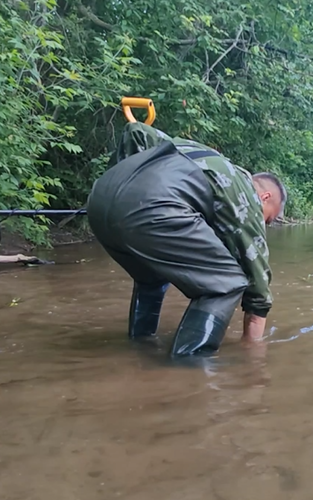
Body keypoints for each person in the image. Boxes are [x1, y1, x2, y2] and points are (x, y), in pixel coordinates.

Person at [87, 122, 286, 357]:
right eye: (268, 219)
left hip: (99, 200)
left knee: (151, 278)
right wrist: (252, 355)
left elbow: (136, 131)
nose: (263, 225)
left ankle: (139, 345)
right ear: (265, 196)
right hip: (153, 208)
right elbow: (258, 292)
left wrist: (123, 190)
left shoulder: (200, 153)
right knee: (227, 285)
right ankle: (188, 371)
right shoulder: (245, 194)